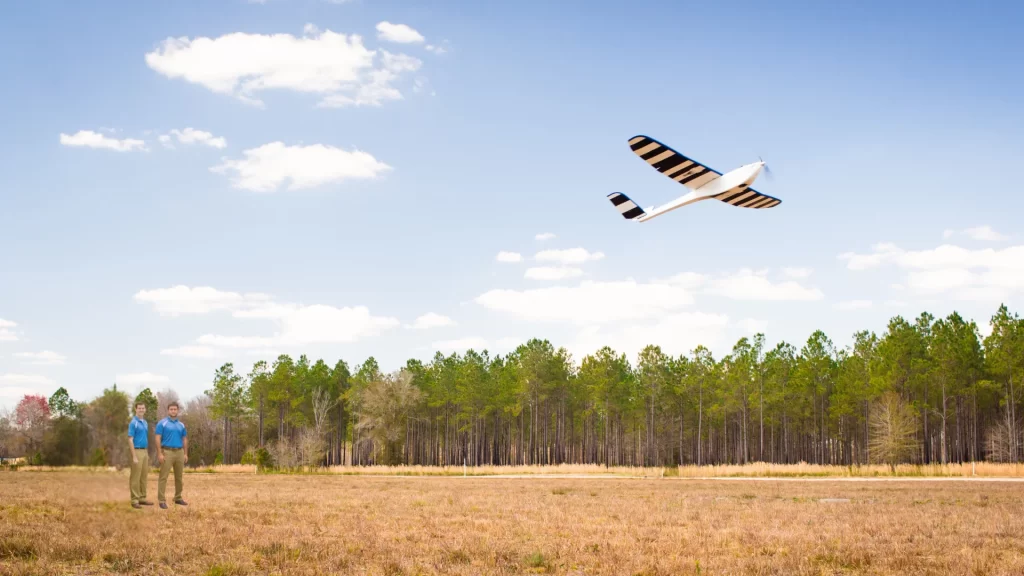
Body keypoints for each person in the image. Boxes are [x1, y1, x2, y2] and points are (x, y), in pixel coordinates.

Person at [155, 401, 189, 509]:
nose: (173, 411)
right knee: (163, 477)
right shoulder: (162, 423)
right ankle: (161, 500)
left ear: (178, 410)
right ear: (168, 410)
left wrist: (185, 453)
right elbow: (157, 438)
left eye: (175, 409)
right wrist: (159, 453)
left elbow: (184, 439)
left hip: (179, 452)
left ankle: (178, 498)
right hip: (167, 452)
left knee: (179, 477)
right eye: (171, 409)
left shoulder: (181, 425)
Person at [127, 402, 153, 508]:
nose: (141, 410)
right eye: (139, 408)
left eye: (143, 408)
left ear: (145, 409)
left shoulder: (145, 422)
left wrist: (146, 453)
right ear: (135, 409)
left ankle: (142, 498)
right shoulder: (133, 423)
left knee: (143, 476)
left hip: (144, 451)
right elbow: (130, 439)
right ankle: (134, 500)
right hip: (136, 451)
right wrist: (134, 456)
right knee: (135, 477)